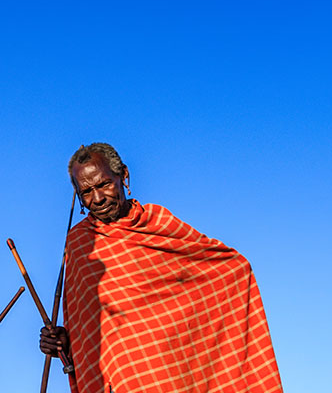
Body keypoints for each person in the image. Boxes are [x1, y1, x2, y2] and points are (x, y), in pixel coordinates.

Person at [39, 143, 283, 393]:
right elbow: (89, 325)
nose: (98, 199)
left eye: (104, 185)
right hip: (121, 378)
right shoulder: (80, 242)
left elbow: (229, 271)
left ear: (123, 175)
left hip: (172, 371)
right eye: (87, 192)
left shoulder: (157, 222)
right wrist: (65, 341)